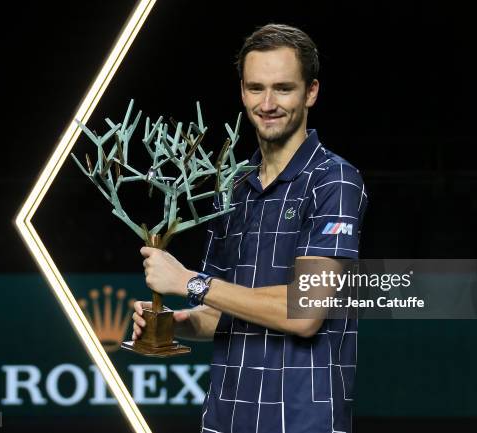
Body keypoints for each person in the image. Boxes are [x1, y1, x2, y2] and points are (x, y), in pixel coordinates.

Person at [133, 23, 368, 433]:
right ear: (242, 92)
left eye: (283, 88)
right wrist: (176, 321)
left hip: (302, 421)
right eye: (256, 88)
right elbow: (220, 312)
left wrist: (189, 280)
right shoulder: (233, 186)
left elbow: (306, 312)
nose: (268, 103)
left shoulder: (335, 180)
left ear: (311, 92)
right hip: (225, 416)